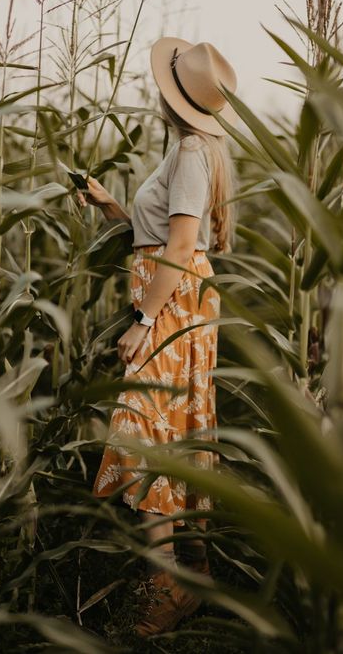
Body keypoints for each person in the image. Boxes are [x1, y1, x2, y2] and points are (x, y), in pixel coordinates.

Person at [77, 37, 238, 636]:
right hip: (172, 291)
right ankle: (192, 575)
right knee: (178, 426)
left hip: (170, 303)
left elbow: (178, 248)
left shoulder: (194, 150)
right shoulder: (191, 148)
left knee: (149, 427)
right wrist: (113, 207)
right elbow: (158, 236)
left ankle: (167, 585)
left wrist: (143, 322)